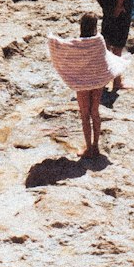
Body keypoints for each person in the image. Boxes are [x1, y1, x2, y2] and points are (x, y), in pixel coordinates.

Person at [47, 13, 119, 160]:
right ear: (94, 26)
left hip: (82, 82)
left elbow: (62, 48)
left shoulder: (77, 43)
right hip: (97, 81)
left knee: (85, 115)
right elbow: (103, 58)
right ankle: (96, 146)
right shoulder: (99, 40)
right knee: (95, 112)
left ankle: (88, 148)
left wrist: (51, 39)